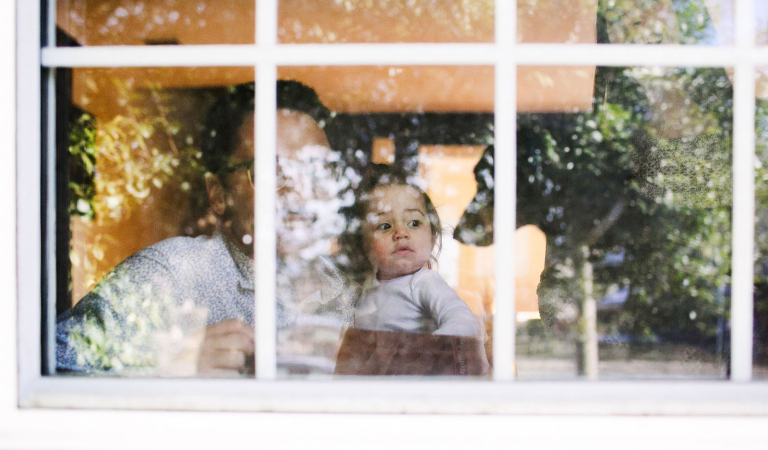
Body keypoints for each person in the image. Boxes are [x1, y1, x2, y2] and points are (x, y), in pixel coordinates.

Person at [56, 80, 353, 376]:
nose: (301, 193)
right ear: (218, 194)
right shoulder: (169, 275)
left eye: (317, 169)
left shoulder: (342, 287)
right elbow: (43, 373)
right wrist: (173, 371)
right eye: (270, 171)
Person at [343, 166, 479, 337]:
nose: (401, 233)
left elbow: (464, 321)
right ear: (362, 244)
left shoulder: (424, 283)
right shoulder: (367, 287)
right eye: (385, 226)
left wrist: (431, 349)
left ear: (433, 237)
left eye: (414, 223)